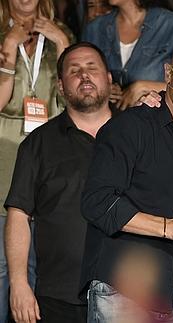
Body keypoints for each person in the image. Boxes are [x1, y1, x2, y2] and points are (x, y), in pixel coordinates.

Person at [80, 40, 173, 322]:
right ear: (168, 75)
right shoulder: (130, 127)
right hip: (124, 288)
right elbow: (97, 202)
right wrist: (170, 227)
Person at [4, 42, 113, 323]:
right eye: (74, 71)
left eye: (92, 68)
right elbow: (18, 215)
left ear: (109, 79)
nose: (84, 76)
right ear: (61, 87)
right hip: (59, 297)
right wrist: (18, 284)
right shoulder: (37, 145)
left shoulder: (138, 135)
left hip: (130, 294)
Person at [0, 0, 73, 321]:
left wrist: (63, 44)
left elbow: (70, 99)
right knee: (4, 261)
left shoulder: (61, 32)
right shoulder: (2, 34)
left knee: (44, 257)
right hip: (6, 143)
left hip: (51, 146)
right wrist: (9, 46)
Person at [83, 0, 173, 110]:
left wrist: (145, 87)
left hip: (158, 119)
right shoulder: (95, 29)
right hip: (112, 120)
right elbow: (81, 73)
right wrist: (103, 87)